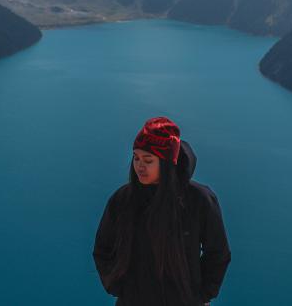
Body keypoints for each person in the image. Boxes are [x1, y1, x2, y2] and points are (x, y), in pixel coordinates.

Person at [93, 116, 231, 305]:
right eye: (136, 157)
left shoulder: (200, 201)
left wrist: (202, 295)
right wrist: (118, 286)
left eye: (148, 160)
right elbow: (103, 248)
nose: (139, 166)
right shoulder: (123, 200)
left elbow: (218, 253)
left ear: (166, 163)